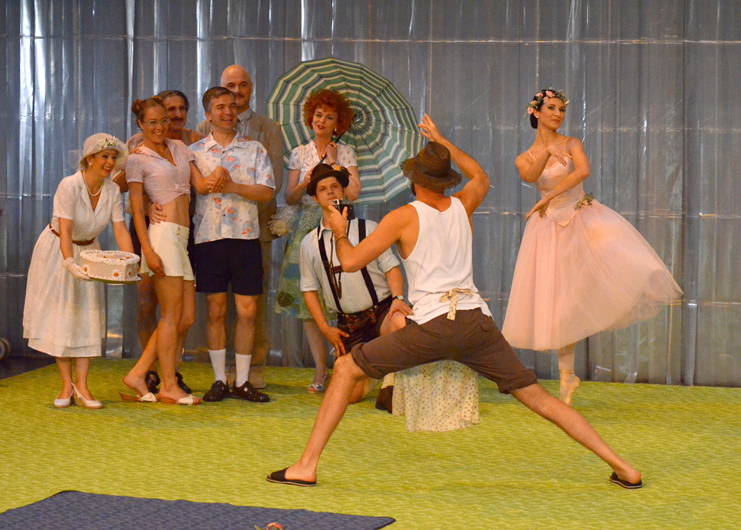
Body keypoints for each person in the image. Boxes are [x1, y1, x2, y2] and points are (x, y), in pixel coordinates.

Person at [266, 115, 643, 490]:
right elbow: (480, 176)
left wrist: (340, 232)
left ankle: (306, 466)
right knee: (539, 398)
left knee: (346, 368)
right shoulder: (464, 203)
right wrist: (443, 142)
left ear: (415, 181)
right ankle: (623, 466)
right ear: (445, 181)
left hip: (434, 325)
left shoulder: (402, 217)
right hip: (476, 321)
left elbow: (349, 262)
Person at [501, 88, 683, 405]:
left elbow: (583, 171)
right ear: (536, 112)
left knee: (614, 261)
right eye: (551, 108)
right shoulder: (525, 156)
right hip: (549, 228)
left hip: (581, 217)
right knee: (558, 303)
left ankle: (630, 285)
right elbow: (529, 174)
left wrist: (549, 195)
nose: (557, 114)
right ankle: (567, 375)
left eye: (561, 109)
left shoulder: (572, 144)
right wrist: (545, 153)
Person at [120, 96, 218, 406]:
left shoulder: (180, 148)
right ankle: (168, 385)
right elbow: (137, 210)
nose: (160, 126)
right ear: (140, 124)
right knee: (171, 315)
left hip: (181, 237)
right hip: (161, 237)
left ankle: (138, 373)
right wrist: (147, 250)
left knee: (185, 317)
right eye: (152, 122)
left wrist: (222, 174)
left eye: (163, 120)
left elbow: (201, 186)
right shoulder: (137, 158)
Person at [23, 133, 133, 409]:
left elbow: (120, 227)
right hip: (58, 250)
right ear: (90, 159)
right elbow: (66, 228)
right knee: (62, 316)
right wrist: (69, 262)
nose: (110, 162)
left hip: (89, 252)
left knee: (86, 317)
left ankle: (82, 386)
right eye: (104, 156)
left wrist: (131, 260)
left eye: (113, 157)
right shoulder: (69, 185)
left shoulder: (112, 190)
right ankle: (66, 385)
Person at [197, 65, 285, 389]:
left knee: (250, 308)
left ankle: (248, 374)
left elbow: (270, 186)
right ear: (209, 113)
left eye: (241, 88)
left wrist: (234, 187)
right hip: (209, 236)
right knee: (216, 308)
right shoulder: (196, 145)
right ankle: (219, 377)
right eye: (222, 103)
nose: (229, 108)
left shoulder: (261, 138)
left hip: (250, 233)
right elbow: (188, 186)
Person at [273, 89, 360, 390]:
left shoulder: (345, 152)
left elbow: (353, 193)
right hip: (306, 226)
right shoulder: (299, 152)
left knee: (343, 294)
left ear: (339, 123)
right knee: (308, 301)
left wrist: (335, 164)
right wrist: (306, 182)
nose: (321, 120)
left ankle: (345, 366)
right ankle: (320, 370)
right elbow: (289, 196)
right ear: (310, 117)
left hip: (338, 224)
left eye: (329, 117)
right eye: (318, 114)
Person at [299, 163, 410, 398]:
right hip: (349, 325)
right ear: (315, 198)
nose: (330, 192)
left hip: (381, 313)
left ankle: (390, 379)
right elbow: (308, 290)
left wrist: (398, 298)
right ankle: (372, 373)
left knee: (402, 323)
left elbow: (391, 268)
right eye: (322, 189)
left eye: (335, 186)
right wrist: (325, 328)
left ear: (343, 192)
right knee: (347, 397)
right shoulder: (309, 243)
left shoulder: (368, 229)